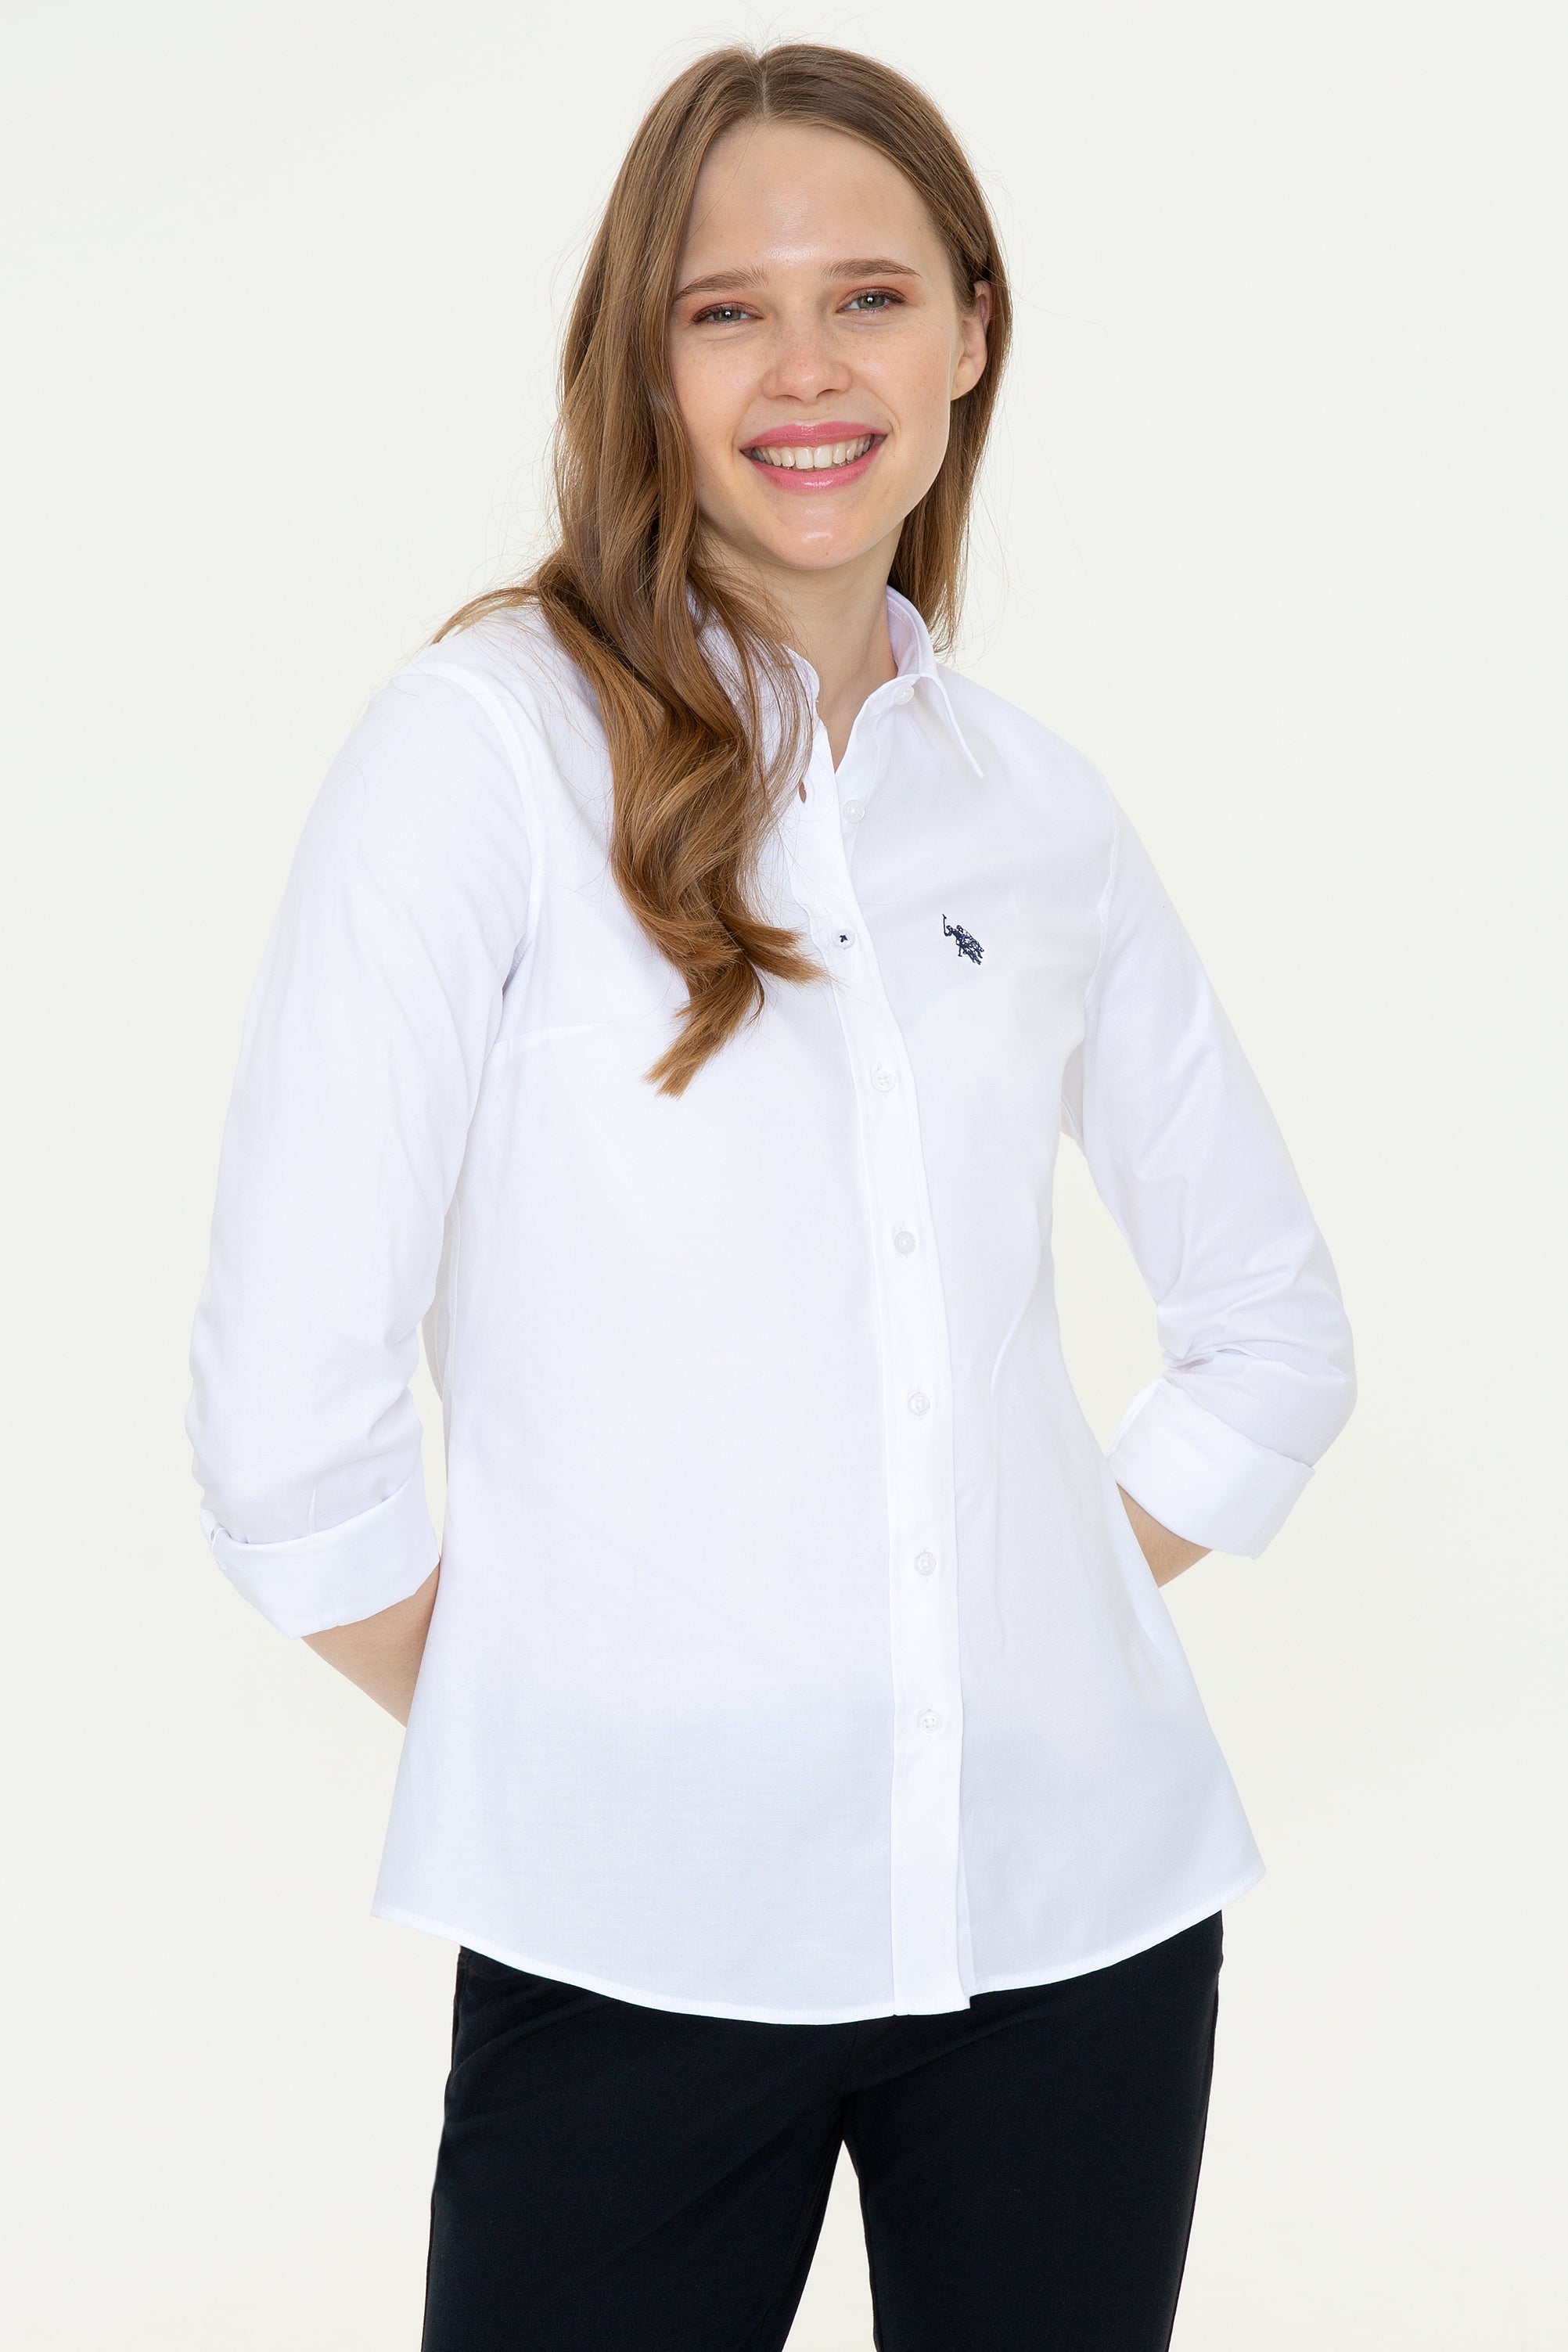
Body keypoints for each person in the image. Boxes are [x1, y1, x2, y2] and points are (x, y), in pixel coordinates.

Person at [185, 40, 1356, 2352]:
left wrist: (988, 1630)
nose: (806, 373)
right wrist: (578, 1714)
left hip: (1078, 1921)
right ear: (643, 360)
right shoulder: (481, 754)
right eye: (726, 311)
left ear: (971, 334)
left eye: (869, 298)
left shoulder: (1033, 808)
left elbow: (1270, 1331)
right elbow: (284, 1430)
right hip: (632, 1930)